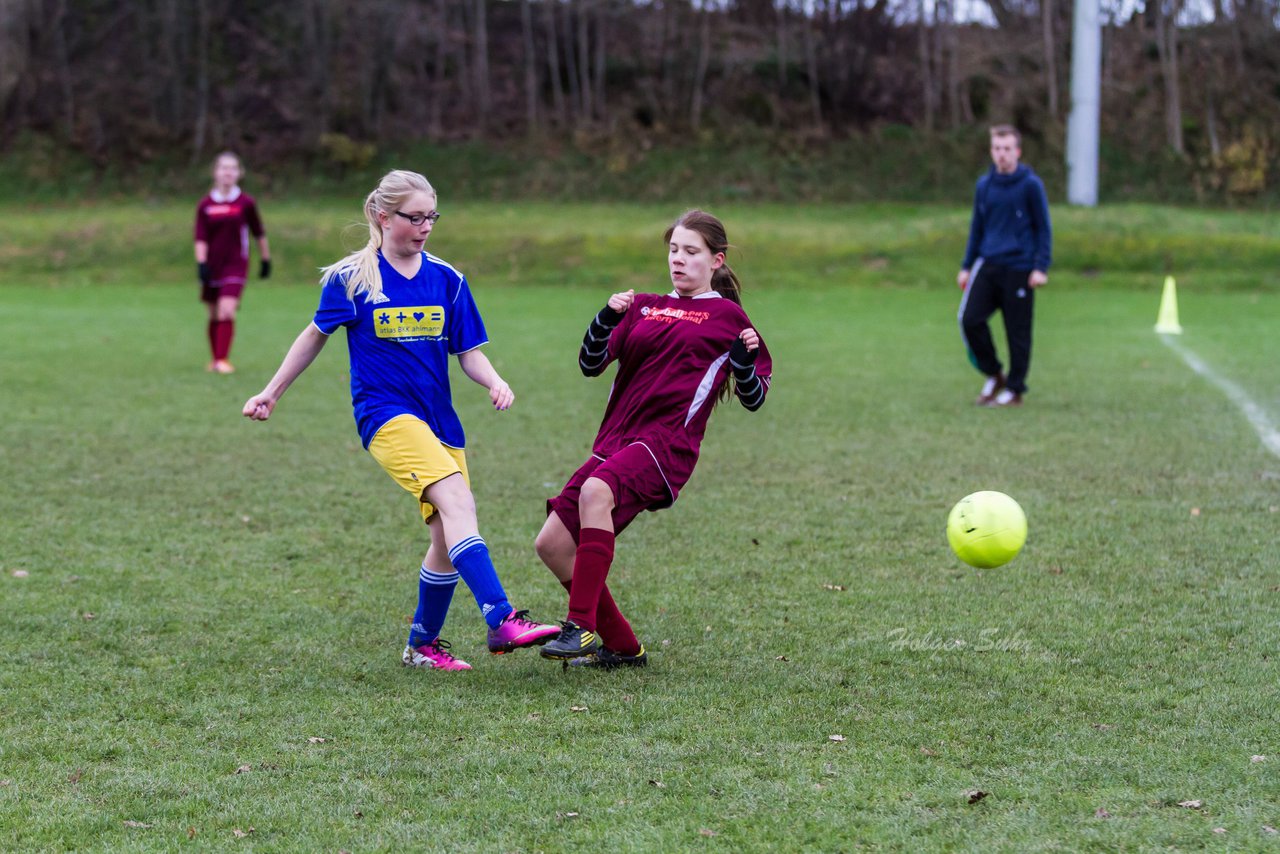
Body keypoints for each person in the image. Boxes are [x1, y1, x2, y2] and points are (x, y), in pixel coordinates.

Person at [241, 169, 559, 671]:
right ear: (382, 217)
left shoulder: (448, 279)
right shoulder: (353, 278)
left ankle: (421, 646)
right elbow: (313, 336)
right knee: (457, 499)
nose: (425, 226)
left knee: (446, 536)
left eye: (431, 216)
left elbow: (468, 352)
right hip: (385, 416)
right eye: (414, 217)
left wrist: (493, 380)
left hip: (440, 421)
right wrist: (270, 392)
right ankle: (501, 618)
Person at [534, 210, 772, 669]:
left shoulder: (728, 317)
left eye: (691, 252)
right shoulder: (643, 305)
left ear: (716, 261)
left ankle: (580, 626)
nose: (678, 260)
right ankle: (623, 648)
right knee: (552, 544)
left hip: (665, 446)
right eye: (673, 250)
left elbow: (755, 396)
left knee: (595, 492)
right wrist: (605, 317)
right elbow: (590, 363)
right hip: (617, 442)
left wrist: (743, 362)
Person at [957, 125, 1052, 407]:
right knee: (970, 320)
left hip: (1020, 267)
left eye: (1007, 149)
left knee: (1017, 331)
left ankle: (1014, 389)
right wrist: (966, 264)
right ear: (991, 151)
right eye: (997, 148)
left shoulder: (1030, 185)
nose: (1002, 154)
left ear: (1018, 152)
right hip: (988, 265)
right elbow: (978, 227)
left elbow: (1043, 229)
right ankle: (994, 374)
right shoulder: (984, 186)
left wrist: (1040, 267)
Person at [194, 151, 271, 374]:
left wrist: (265, 258)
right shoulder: (205, 205)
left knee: (226, 310)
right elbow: (200, 236)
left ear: (240, 173)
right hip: (212, 263)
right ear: (214, 173)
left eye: (232, 168)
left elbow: (258, 232)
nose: (228, 172)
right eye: (223, 168)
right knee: (213, 312)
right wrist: (201, 263)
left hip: (236, 264)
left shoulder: (246, 203)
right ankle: (215, 358)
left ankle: (222, 360)